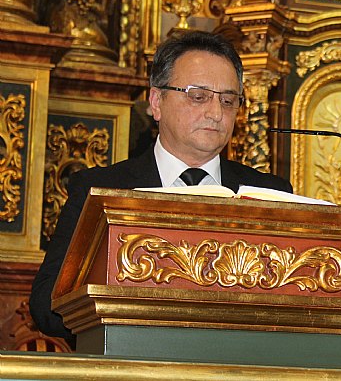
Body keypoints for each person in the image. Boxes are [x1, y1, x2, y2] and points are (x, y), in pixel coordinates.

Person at [30, 31, 293, 340]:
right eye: (198, 96)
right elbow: (47, 305)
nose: (216, 113)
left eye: (228, 100)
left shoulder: (271, 193)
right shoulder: (100, 189)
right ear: (156, 102)